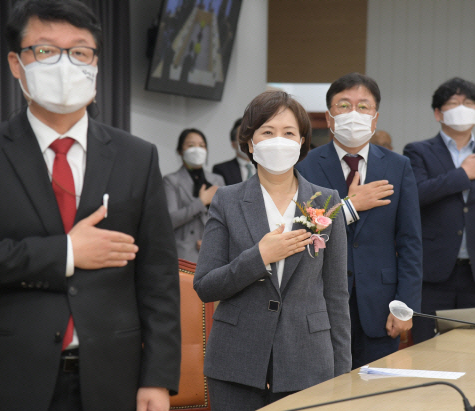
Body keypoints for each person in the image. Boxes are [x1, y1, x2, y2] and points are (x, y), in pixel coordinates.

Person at [0, 1, 181, 410]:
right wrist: (66, 252)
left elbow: (158, 274)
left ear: (95, 63)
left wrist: (158, 377)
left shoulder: (138, 155)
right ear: (16, 62)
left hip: (113, 374)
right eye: (45, 50)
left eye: (79, 51)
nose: (65, 65)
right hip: (5, 374)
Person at [194, 90, 351, 410]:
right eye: (267, 132)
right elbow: (205, 285)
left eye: (289, 133)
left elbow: (336, 295)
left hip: (308, 362)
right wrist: (258, 257)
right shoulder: (227, 199)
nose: (278, 140)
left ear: (302, 142)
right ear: (251, 143)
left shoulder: (326, 201)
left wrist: (343, 372)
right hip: (236, 365)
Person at [296, 72, 422, 369]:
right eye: (344, 105)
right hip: (320, 304)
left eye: (363, 106)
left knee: (375, 395)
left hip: (380, 306)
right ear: (329, 118)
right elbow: (304, 232)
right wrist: (349, 206)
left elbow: (410, 242)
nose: (354, 113)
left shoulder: (398, 166)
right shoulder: (305, 166)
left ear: (375, 119)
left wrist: (405, 306)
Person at [403, 77, 475, 343]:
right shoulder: (418, 151)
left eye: (468, 103)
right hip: (432, 272)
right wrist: (463, 174)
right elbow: (416, 195)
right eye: (454, 103)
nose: (462, 108)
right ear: (438, 113)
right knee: (426, 348)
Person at [163, 128, 224, 262]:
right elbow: (169, 220)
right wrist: (200, 202)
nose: (197, 150)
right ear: (180, 150)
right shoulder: (171, 181)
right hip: (184, 253)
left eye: (202, 146)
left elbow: (226, 219)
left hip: (214, 252)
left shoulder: (216, 180)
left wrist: (213, 242)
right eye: (190, 145)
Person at [212, 118, 255, 185]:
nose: (248, 141)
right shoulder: (221, 170)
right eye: (242, 137)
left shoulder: (266, 167)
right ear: (233, 144)